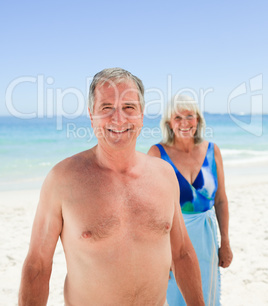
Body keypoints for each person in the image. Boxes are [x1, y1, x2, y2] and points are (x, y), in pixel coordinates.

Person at [19, 68, 205, 306]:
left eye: (129, 107)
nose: (119, 119)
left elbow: (182, 254)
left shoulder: (164, 175)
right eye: (106, 108)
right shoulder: (62, 180)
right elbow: (38, 265)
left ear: (141, 114)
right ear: (91, 115)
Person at [148, 94, 233, 306]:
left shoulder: (213, 151)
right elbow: (149, 209)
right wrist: (157, 252)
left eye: (190, 116)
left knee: (207, 295)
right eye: (177, 117)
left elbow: (221, 200)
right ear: (168, 122)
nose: (184, 123)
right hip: (172, 243)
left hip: (207, 241)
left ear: (198, 120)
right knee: (176, 298)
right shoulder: (157, 153)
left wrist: (226, 242)